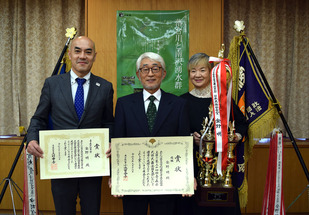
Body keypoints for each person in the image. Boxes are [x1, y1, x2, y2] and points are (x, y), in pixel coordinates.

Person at [26, 36, 114, 215]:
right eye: (78, 51)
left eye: (88, 52)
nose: (83, 56)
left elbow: (108, 122)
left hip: (92, 166)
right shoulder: (52, 84)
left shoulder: (104, 87)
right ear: (69, 54)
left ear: (94, 56)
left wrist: (112, 141)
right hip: (61, 164)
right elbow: (38, 119)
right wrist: (32, 138)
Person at [113, 52, 192, 215]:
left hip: (166, 181)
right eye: (145, 69)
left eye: (155, 69)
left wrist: (188, 177)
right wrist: (116, 177)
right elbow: (118, 142)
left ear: (163, 73)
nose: (150, 74)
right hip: (133, 181)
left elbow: (185, 144)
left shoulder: (178, 105)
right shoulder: (124, 104)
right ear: (138, 74)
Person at [180, 53, 247, 215]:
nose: (197, 75)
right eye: (193, 71)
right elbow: (175, 131)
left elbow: (242, 124)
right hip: (191, 165)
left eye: (202, 70)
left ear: (211, 72)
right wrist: (190, 137)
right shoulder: (181, 101)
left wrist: (232, 138)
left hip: (221, 165)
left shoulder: (223, 100)